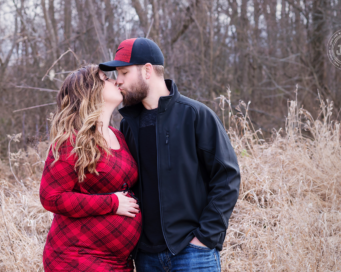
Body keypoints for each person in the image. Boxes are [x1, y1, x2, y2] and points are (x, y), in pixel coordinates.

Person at [99, 38, 241, 271]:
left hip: (192, 253)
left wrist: (205, 238)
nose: (118, 81)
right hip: (145, 257)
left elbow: (227, 177)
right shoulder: (128, 126)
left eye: (124, 72)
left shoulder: (195, 115)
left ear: (147, 70)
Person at [39, 65, 141, 271]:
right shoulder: (71, 140)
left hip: (119, 262)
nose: (115, 81)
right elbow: (51, 197)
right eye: (106, 79)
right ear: (90, 91)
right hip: (77, 258)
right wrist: (111, 203)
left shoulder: (118, 134)